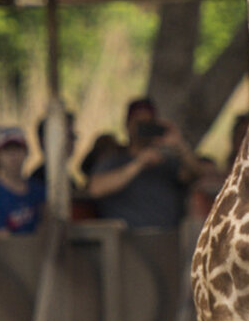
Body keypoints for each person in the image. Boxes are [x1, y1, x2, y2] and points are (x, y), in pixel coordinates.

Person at [84, 96, 196, 229]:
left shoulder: (167, 163)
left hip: (167, 238)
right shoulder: (113, 161)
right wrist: (138, 164)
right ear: (127, 125)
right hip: (126, 240)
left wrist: (179, 145)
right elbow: (95, 189)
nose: (144, 129)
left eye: (149, 123)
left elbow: (195, 173)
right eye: (139, 124)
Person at [0, 125, 44, 235]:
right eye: (7, 150)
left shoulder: (39, 191)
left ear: (26, 152)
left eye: (17, 149)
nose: (13, 155)